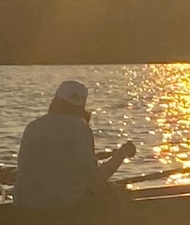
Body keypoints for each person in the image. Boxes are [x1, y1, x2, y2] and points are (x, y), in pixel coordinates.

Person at [14, 79, 135, 211]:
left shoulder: (33, 126)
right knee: (119, 193)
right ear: (82, 105)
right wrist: (120, 155)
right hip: (59, 208)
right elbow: (92, 181)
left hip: (23, 203)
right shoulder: (80, 128)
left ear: (55, 101)